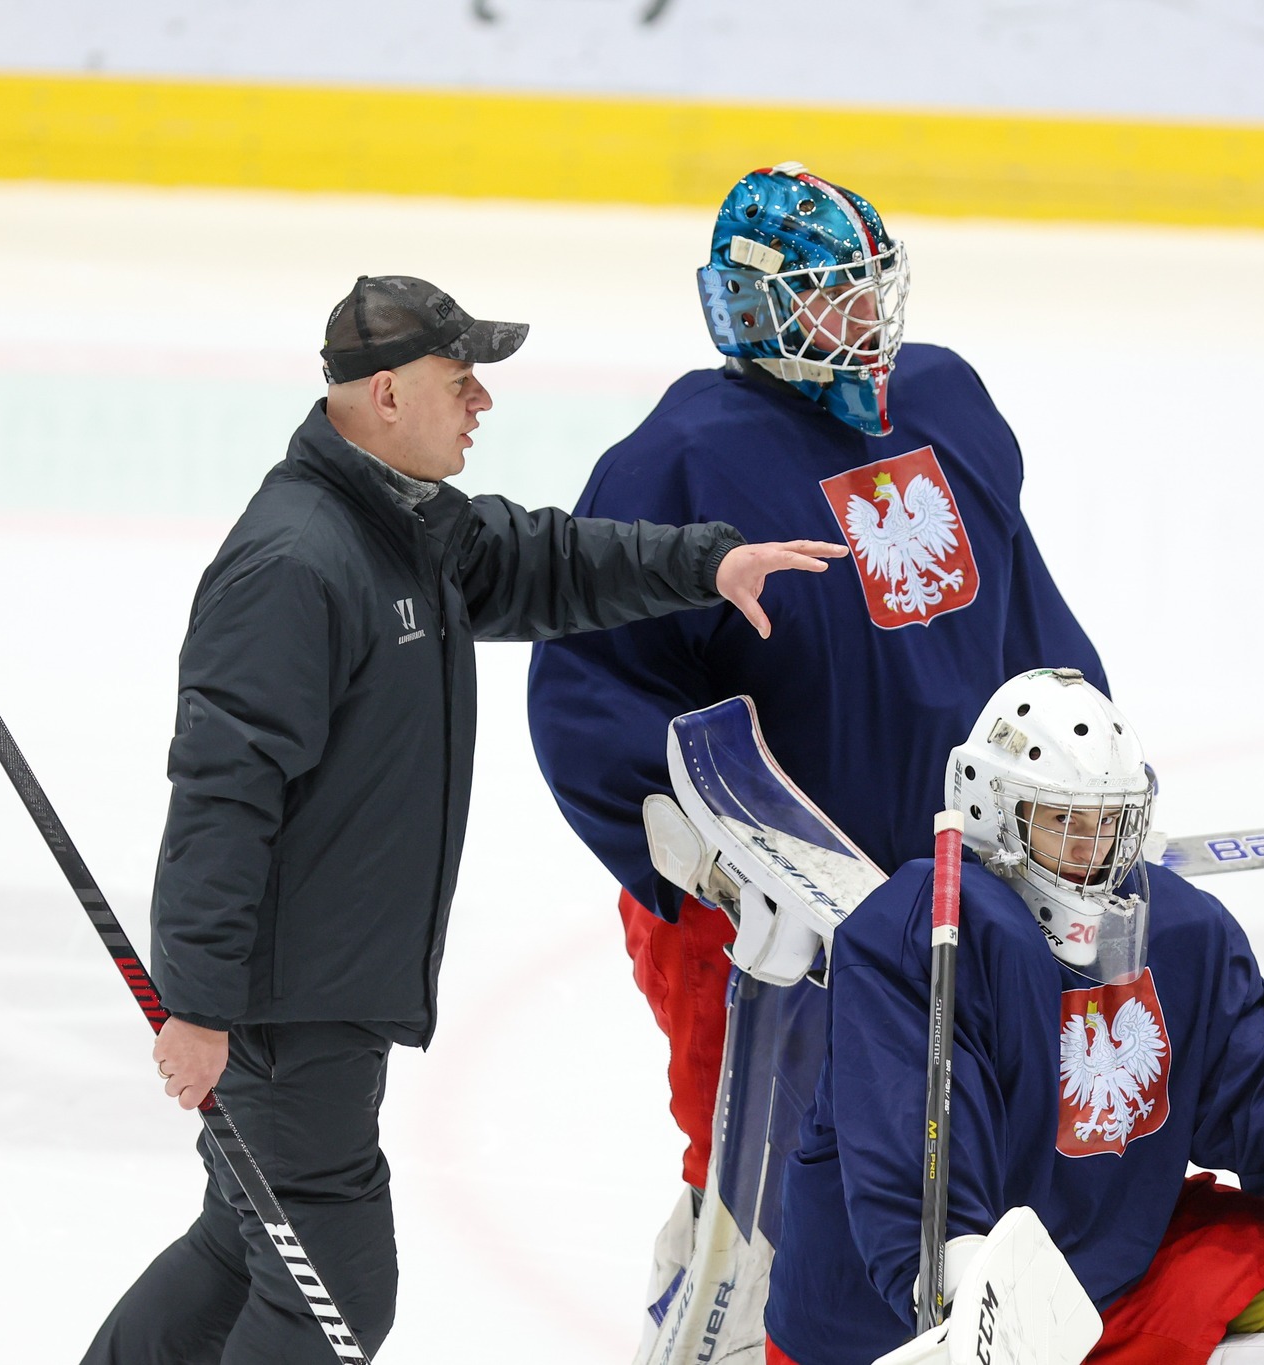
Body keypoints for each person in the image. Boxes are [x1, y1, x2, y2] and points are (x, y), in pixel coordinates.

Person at [82, 275, 847, 1364]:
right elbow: (221, 796)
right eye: (460, 378)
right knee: (330, 1293)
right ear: (386, 394)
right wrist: (198, 1006)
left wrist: (705, 564)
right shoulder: (297, 563)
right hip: (282, 1003)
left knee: (244, 1239)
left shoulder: (403, 528)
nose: (481, 400)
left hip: (324, 984)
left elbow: (544, 560)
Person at [527, 162, 1109, 1205]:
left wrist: (1085, 755)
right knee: (755, 1193)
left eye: (869, 283)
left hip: (951, 892)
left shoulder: (943, 402)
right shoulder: (678, 461)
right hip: (757, 924)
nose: (862, 314)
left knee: (947, 1182)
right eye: (828, 292)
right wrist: (702, 860)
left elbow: (1019, 607)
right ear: (751, 308)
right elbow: (586, 686)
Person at [765, 668, 1264, 1365]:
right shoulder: (929, 933)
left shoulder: (1179, 929)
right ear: (990, 809)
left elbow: (1262, 1091)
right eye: (1063, 821)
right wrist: (966, 1285)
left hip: (1094, 1283)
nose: (1090, 851)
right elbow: (909, 1152)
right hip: (889, 1339)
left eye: (1108, 822)